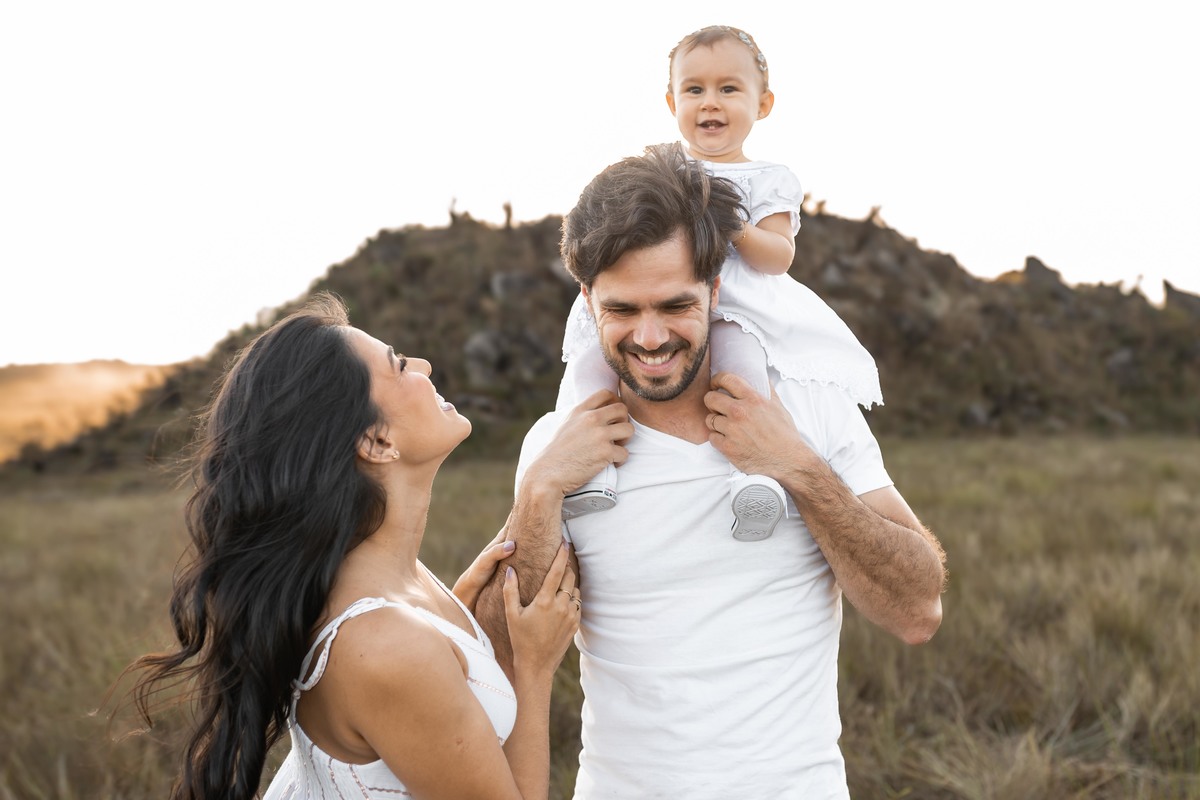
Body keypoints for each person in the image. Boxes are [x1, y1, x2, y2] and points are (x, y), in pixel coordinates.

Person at [476, 144, 947, 799]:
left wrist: (797, 468)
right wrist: (539, 491)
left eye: (674, 306)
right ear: (587, 300)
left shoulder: (810, 409)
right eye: (621, 310)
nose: (649, 338)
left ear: (716, 289)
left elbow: (918, 610)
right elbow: (497, 659)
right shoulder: (558, 447)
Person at [115, 292, 609, 800]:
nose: (424, 365)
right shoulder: (385, 645)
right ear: (377, 442)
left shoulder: (393, 581)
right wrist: (533, 668)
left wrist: (465, 621)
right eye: (400, 366)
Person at [557, 25, 882, 542]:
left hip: (734, 304)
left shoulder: (768, 178)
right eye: (694, 89)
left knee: (742, 380)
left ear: (763, 103)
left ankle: (754, 478)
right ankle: (588, 469)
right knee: (587, 367)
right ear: (672, 102)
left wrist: (733, 225)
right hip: (658, 291)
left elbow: (779, 256)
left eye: (729, 88)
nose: (710, 102)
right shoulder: (665, 166)